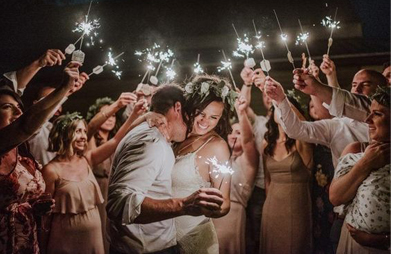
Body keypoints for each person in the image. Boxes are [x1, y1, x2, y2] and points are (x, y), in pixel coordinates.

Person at [106, 84, 225, 254]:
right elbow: (119, 202)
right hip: (145, 249)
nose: (193, 122)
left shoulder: (155, 135)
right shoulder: (152, 141)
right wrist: (183, 205)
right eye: (190, 114)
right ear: (178, 107)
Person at [41, 97, 146, 254]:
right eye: (78, 131)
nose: (84, 136)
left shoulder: (87, 159)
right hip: (65, 240)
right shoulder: (51, 170)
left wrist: (135, 114)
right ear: (64, 134)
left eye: (84, 131)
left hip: (94, 237)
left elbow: (117, 140)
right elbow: (44, 216)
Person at [0, 62, 81, 253]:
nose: (18, 112)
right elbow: (26, 125)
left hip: (28, 244)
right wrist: (65, 88)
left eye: (18, 107)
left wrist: (34, 206)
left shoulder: (23, 152)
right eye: (6, 107)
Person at [172, 75, 235, 253]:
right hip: (163, 237)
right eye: (200, 113)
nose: (205, 121)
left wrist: (211, 208)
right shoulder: (177, 138)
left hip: (195, 238)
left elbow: (225, 203)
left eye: (214, 117)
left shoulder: (218, 147)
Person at [330, 87, 390, 253]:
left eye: (378, 114)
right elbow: (336, 197)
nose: (368, 119)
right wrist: (366, 163)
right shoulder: (356, 150)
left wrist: (385, 240)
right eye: (370, 112)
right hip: (354, 245)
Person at [260, 79, 314, 253]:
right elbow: (267, 180)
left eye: (285, 108)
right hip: (272, 207)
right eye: (277, 107)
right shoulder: (267, 144)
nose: (281, 110)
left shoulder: (301, 142)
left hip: (296, 206)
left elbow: (302, 125)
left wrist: (284, 101)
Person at [85, 93, 137, 253]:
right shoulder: (89, 139)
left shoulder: (117, 139)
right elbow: (91, 127)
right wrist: (117, 104)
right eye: (106, 114)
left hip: (114, 189)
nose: (110, 118)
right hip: (97, 190)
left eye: (113, 115)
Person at [213, 96, 259, 254]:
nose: (233, 135)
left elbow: (248, 141)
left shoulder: (247, 163)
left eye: (238, 132)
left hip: (232, 218)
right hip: (209, 217)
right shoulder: (217, 159)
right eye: (231, 132)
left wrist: (241, 112)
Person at [241, 67, 272, 253]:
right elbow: (243, 106)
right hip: (259, 187)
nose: (268, 97)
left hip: (283, 186)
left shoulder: (288, 120)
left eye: (271, 93)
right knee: (259, 238)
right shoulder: (259, 122)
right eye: (265, 95)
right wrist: (247, 83)